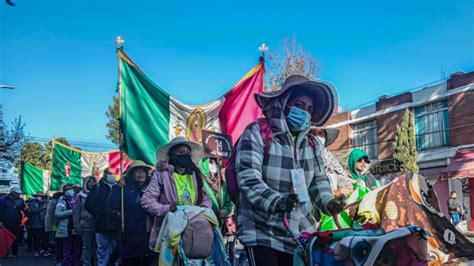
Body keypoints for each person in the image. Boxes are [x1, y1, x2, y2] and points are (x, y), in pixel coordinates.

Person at [235, 75, 345, 266]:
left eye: (309, 109)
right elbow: (248, 178)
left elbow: (319, 182)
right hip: (262, 231)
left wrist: (329, 203)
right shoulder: (257, 132)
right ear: (284, 103)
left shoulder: (312, 144)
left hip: (300, 235)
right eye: (299, 105)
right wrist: (277, 201)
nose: (304, 112)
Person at [141, 136, 212, 252]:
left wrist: (201, 211)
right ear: (173, 155)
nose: (185, 155)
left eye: (188, 153)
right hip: (169, 231)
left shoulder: (194, 175)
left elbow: (206, 199)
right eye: (181, 152)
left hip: (192, 231)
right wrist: (167, 208)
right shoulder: (161, 175)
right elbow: (146, 201)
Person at [107, 161, 154, 266]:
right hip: (129, 232)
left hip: (148, 233)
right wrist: (118, 189)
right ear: (131, 174)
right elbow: (111, 205)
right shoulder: (122, 187)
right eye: (137, 171)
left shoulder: (151, 189)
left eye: (142, 171)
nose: (140, 174)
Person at [85, 168, 120, 266]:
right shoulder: (97, 188)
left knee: (115, 247)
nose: (111, 175)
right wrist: (97, 215)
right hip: (101, 224)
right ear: (104, 175)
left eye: (113, 173)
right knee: (102, 248)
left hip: (116, 224)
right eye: (109, 173)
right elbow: (88, 205)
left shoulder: (119, 188)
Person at [198, 157, 233, 225]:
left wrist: (225, 211)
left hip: (219, 224)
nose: (214, 165)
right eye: (211, 162)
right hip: (205, 223)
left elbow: (228, 204)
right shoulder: (200, 182)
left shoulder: (223, 183)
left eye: (216, 163)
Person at [73, 176, 97, 266]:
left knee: (97, 248)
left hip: (97, 225)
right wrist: (77, 225)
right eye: (89, 182)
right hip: (85, 226)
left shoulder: (98, 194)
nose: (91, 184)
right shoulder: (81, 196)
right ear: (85, 184)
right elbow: (76, 212)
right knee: (87, 247)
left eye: (93, 182)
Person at [55, 184, 81, 266]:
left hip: (77, 226)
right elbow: (57, 214)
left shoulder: (78, 198)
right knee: (67, 248)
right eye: (66, 189)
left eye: (70, 188)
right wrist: (71, 212)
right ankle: (66, 263)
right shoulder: (62, 200)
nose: (69, 190)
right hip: (67, 228)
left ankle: (76, 263)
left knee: (77, 247)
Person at [0, 186, 25, 258]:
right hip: (6, 222)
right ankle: (5, 253)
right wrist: (0, 221)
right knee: (6, 238)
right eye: (17, 193)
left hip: (17, 222)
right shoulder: (3, 200)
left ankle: (15, 252)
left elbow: (24, 209)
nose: (18, 194)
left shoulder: (21, 200)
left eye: (19, 193)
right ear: (12, 193)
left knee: (16, 237)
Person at [27, 192, 48, 257]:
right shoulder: (33, 202)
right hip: (36, 223)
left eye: (41, 196)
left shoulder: (46, 202)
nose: (39, 197)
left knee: (45, 238)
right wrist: (43, 207)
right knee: (37, 238)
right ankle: (36, 251)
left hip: (44, 222)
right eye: (38, 196)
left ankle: (45, 250)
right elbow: (34, 210)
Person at [45, 192, 63, 264]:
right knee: (58, 241)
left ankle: (58, 256)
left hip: (56, 225)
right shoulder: (53, 202)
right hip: (55, 225)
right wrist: (48, 227)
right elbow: (49, 215)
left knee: (58, 241)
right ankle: (58, 256)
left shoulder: (61, 201)